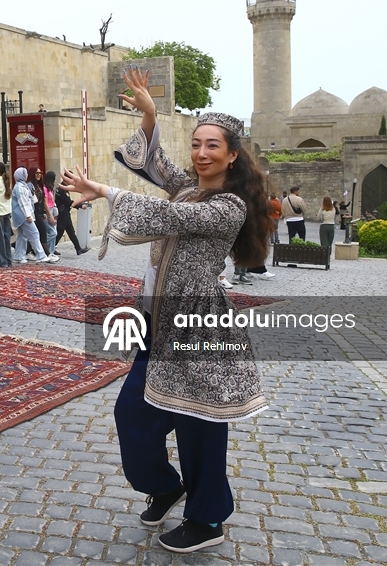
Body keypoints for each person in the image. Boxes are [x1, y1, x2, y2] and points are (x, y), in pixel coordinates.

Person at [62, 65, 270, 554]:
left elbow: (171, 214)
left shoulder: (230, 206)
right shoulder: (190, 186)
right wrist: (152, 117)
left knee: (200, 425)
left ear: (233, 155)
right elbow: (159, 170)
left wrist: (106, 191)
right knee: (132, 414)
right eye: (196, 143)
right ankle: (166, 484)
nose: (200, 153)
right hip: (156, 322)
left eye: (212, 145)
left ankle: (207, 519)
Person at [12, 167, 50, 264]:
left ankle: (19, 256)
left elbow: (33, 200)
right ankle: (40, 255)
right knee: (34, 233)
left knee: (22, 236)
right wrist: (28, 215)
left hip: (23, 216)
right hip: (24, 216)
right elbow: (23, 202)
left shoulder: (22, 186)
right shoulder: (20, 187)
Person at [55, 179, 89, 256]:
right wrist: (80, 205)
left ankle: (78, 249)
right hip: (63, 213)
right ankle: (51, 248)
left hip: (65, 212)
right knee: (60, 231)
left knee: (70, 231)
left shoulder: (64, 187)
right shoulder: (62, 188)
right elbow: (68, 201)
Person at [30, 167, 56, 260]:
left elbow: (40, 201)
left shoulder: (38, 186)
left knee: (34, 234)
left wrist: (43, 212)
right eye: (37, 173)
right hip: (34, 213)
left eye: (40, 173)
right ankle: (47, 254)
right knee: (43, 233)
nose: (39, 175)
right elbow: (35, 202)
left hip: (40, 212)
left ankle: (28, 251)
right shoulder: (31, 185)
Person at [43, 171, 61, 262]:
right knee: (52, 233)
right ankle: (43, 245)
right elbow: (45, 203)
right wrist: (50, 215)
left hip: (52, 209)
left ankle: (51, 250)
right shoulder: (45, 188)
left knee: (53, 232)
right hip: (48, 211)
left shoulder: (50, 189)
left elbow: (52, 201)